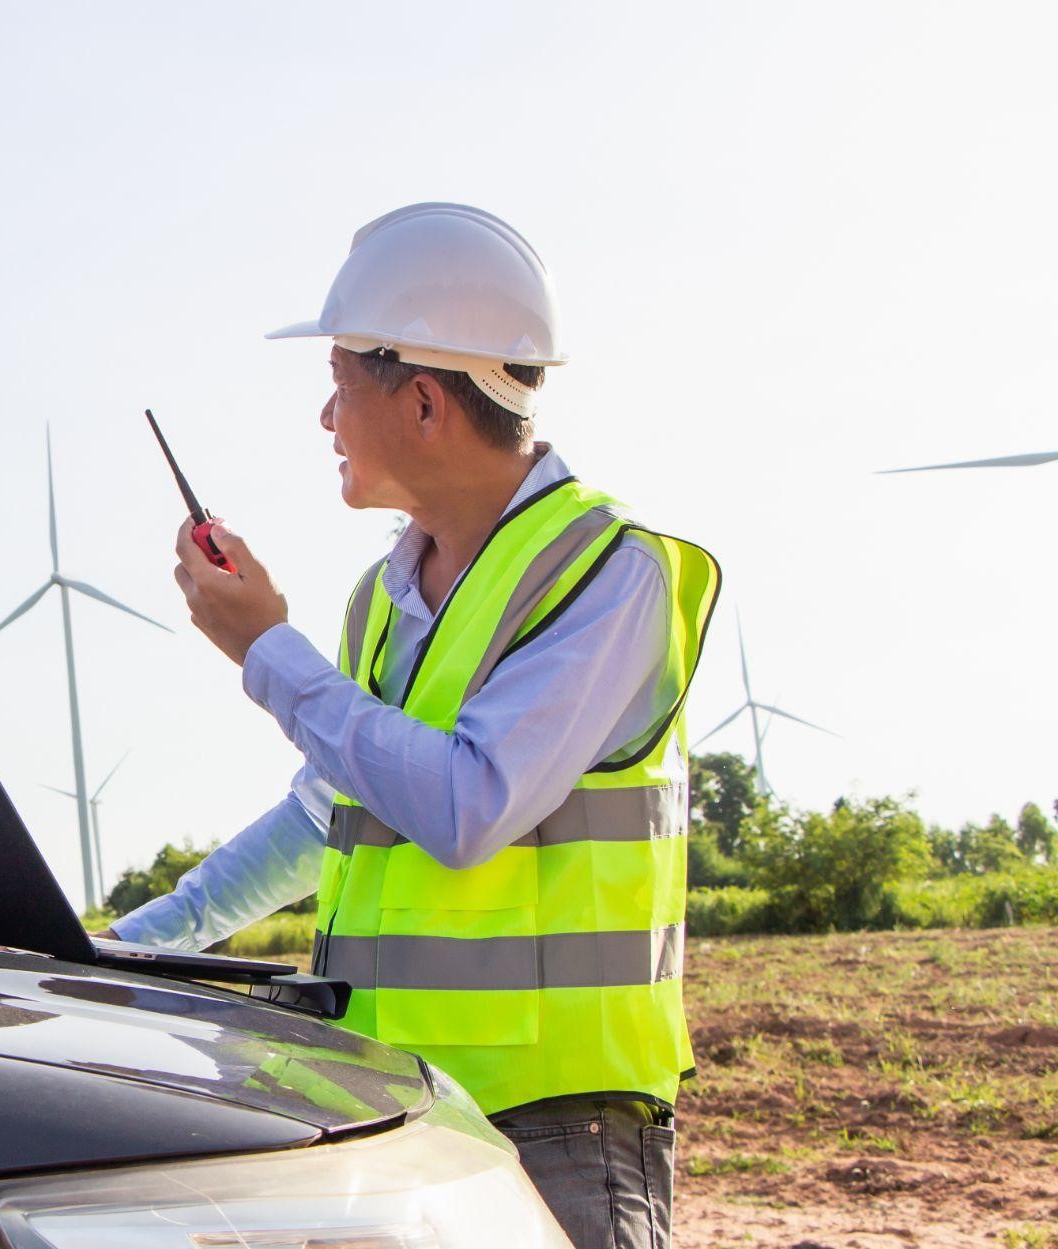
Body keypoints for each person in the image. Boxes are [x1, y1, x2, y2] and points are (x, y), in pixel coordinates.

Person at [111, 203, 720, 1249]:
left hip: (553, 1131)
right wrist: (132, 945)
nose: (324, 418)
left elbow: (467, 803)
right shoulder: (382, 601)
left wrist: (268, 650)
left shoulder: (604, 571)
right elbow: (324, 816)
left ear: (426, 402)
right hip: (388, 1114)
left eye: (339, 384)